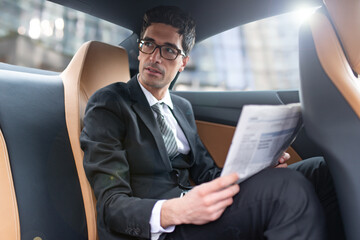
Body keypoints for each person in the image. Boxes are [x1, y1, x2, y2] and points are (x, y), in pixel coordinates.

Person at [80, 5, 344, 240]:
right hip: (165, 226)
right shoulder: (110, 103)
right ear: (139, 51)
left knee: (321, 171)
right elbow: (111, 205)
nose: (156, 57)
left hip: (199, 208)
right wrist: (178, 210)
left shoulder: (181, 108)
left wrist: (260, 167)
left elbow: (207, 175)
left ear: (183, 63)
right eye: (148, 44)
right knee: (287, 188)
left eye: (169, 50)